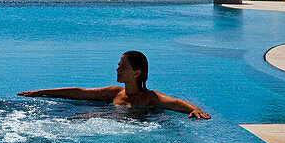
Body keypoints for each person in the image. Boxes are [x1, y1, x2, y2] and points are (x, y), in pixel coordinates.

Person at [18, 49, 210, 119]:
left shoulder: (150, 98)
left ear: (136, 73)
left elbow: (175, 102)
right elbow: (80, 93)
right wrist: (42, 92)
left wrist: (195, 109)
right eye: (118, 65)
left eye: (123, 67)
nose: (117, 70)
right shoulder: (114, 93)